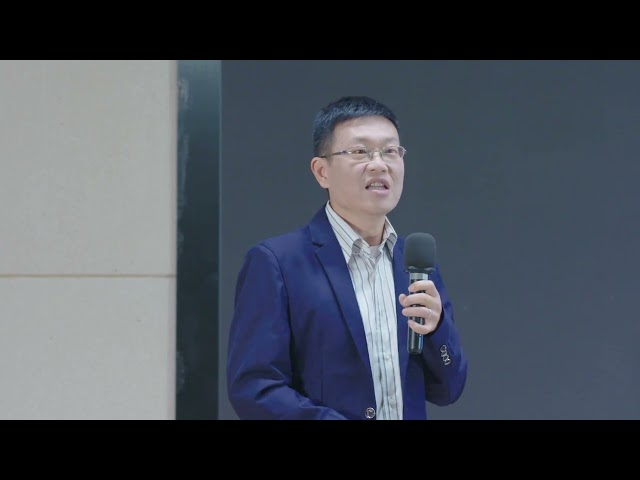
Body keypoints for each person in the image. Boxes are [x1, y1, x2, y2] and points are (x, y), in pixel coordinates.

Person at [226, 95, 468, 420]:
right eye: (360, 152)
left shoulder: (414, 265)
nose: (379, 164)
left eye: (390, 151)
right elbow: (255, 388)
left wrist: (437, 330)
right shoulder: (277, 263)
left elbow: (449, 389)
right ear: (322, 171)